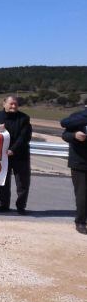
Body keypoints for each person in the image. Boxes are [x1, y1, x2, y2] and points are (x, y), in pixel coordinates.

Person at [0, 96, 33, 214]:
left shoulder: (24, 118)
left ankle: (21, 207)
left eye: (16, 104)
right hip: (1, 155)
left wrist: (13, 149)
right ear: (4, 104)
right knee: (3, 181)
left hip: (20, 155)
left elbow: (25, 137)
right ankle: (4, 205)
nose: (13, 106)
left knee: (22, 182)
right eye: (11, 104)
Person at [61, 99, 87, 234]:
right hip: (80, 162)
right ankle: (81, 222)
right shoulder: (77, 117)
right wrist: (75, 135)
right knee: (82, 194)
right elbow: (65, 134)